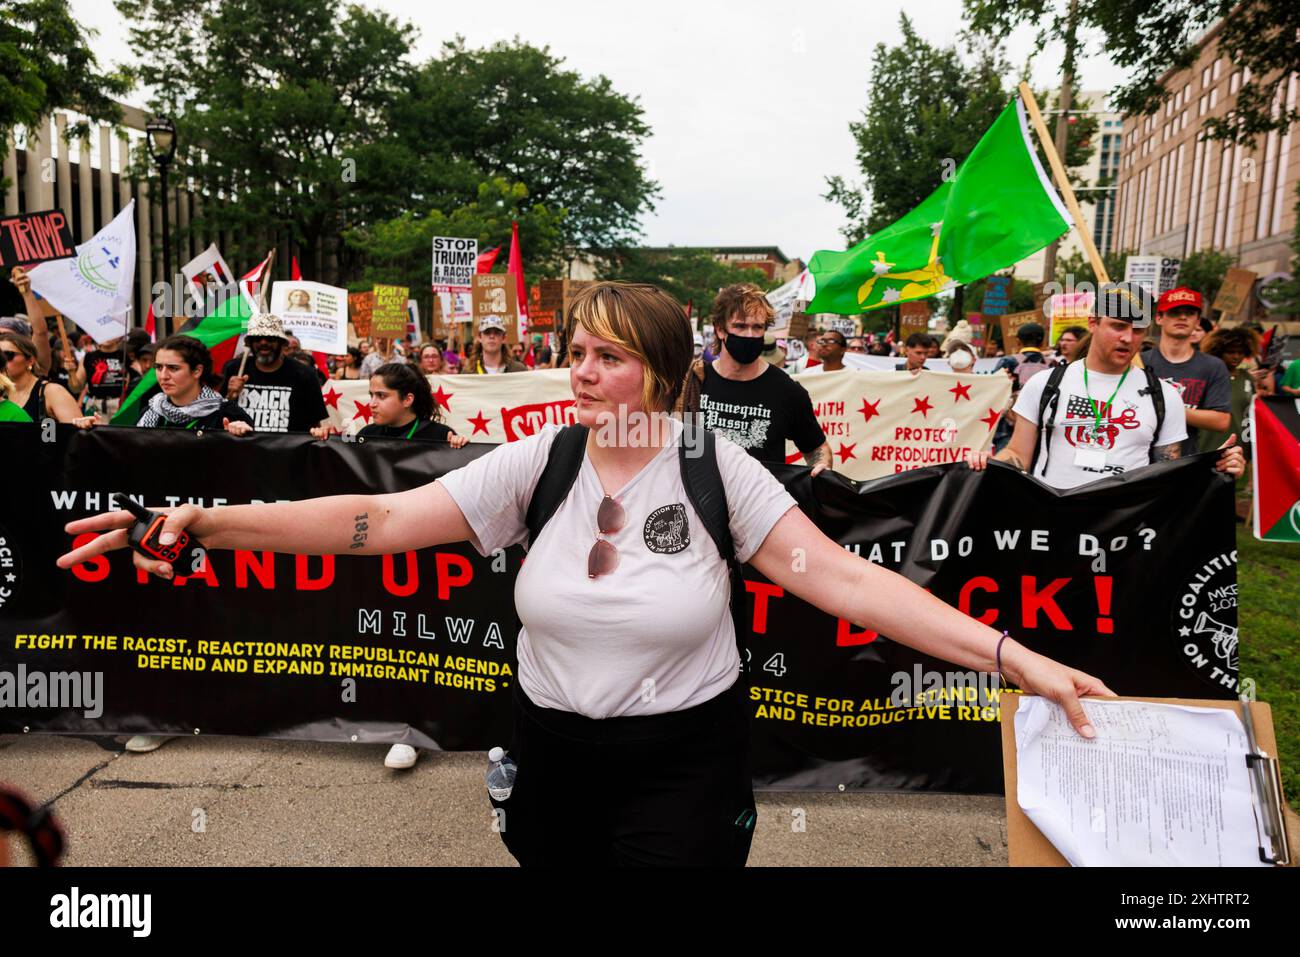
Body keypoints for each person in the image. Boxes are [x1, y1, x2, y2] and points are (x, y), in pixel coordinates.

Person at [60, 280, 1113, 867]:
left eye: (606, 355)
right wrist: (196, 519)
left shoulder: (715, 467)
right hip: (551, 755)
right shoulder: (542, 460)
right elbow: (373, 522)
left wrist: (1014, 657)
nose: (581, 370)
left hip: (681, 768)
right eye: (575, 350)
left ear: (658, 371)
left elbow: (847, 583)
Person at [966, 282, 1245, 488]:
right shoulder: (1046, 384)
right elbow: (1018, 454)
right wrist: (986, 465)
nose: (1128, 338)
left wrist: (1216, 469)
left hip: (1121, 529)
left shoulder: (1164, 396)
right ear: (1093, 323)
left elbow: (1167, 472)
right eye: (1119, 326)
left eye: (1137, 330)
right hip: (1052, 520)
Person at [679, 283, 832, 475]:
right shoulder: (692, 384)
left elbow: (817, 448)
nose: (749, 335)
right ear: (720, 330)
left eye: (757, 327)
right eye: (740, 326)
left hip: (763, 502)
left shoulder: (787, 391)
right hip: (701, 500)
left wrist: (822, 467)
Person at [1143, 287, 1231, 456]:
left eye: (1190, 313)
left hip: (1187, 461)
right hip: (1140, 462)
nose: (1182, 317)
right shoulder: (1139, 362)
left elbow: (1221, 421)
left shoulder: (1213, 366)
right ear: (1159, 318)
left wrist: (1167, 407)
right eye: (1175, 312)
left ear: (1197, 321)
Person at [221, 313, 329, 433]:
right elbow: (217, 417)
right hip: (242, 449)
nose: (263, 342)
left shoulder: (305, 375)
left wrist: (319, 433)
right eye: (257, 338)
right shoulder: (234, 369)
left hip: (287, 450)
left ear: (282, 343)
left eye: (270, 338)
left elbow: (315, 425)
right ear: (250, 342)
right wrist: (230, 395)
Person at [0, 332, 93, 427]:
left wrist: (82, 424)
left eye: (8, 355)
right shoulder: (2, 393)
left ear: (30, 360)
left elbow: (75, 433)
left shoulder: (52, 392)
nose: (1, 361)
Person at [1196, 327, 1262, 455]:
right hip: (1209, 443)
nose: (1236, 356)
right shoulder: (1208, 376)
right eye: (1230, 352)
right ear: (1218, 352)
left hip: (1241, 444)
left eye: (1240, 352)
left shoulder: (1246, 377)